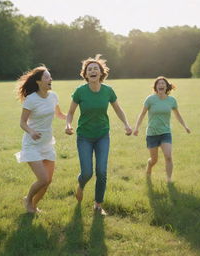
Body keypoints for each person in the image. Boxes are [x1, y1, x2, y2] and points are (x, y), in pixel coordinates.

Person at [65, 54, 132, 215]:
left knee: (101, 171)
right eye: (89, 69)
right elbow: (70, 112)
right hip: (84, 137)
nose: (93, 71)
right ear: (85, 74)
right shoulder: (80, 91)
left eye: (96, 69)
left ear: (101, 73)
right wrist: (68, 125)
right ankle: (80, 184)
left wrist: (126, 124)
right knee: (87, 172)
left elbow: (118, 109)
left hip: (102, 135)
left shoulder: (108, 91)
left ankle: (98, 205)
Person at [15, 66, 66, 213]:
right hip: (32, 145)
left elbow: (59, 114)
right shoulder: (31, 99)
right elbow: (22, 122)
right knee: (43, 179)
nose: (51, 79)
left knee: (48, 181)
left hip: (47, 143)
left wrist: (69, 119)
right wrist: (31, 131)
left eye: (50, 77)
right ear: (38, 81)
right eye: (47, 77)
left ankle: (34, 206)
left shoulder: (53, 96)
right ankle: (28, 200)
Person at [133, 76, 191, 183]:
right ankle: (149, 166)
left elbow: (178, 115)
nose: (161, 85)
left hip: (165, 132)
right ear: (156, 87)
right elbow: (142, 115)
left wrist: (185, 126)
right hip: (152, 133)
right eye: (159, 84)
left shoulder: (172, 100)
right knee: (154, 160)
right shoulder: (150, 99)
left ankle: (169, 180)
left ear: (166, 86)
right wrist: (136, 128)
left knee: (168, 156)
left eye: (163, 83)